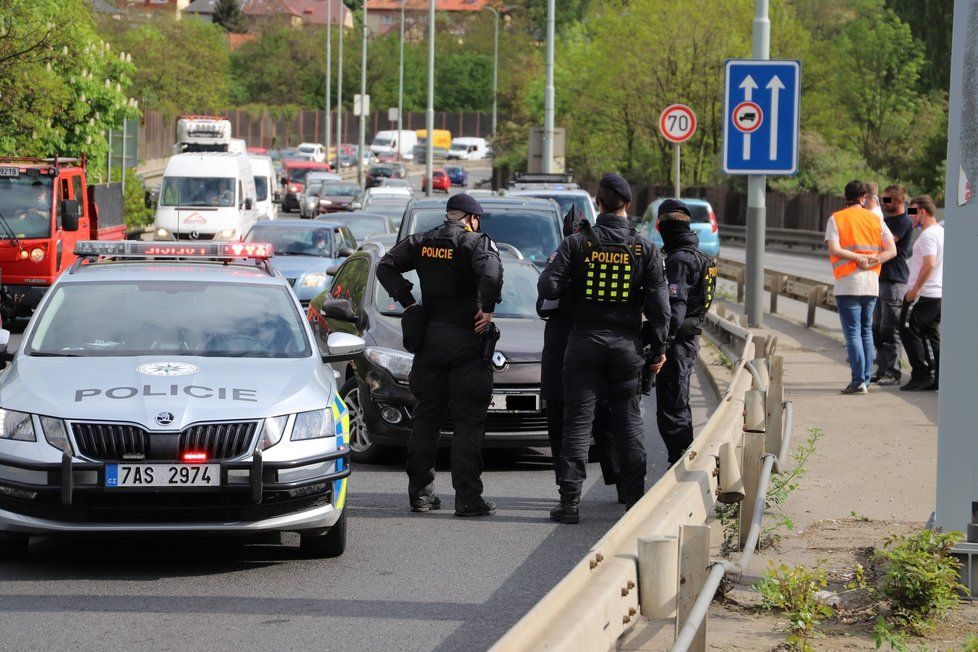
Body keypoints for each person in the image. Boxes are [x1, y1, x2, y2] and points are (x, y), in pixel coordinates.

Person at [538, 173, 670, 523]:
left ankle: (569, 503)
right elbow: (660, 309)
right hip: (626, 345)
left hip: (583, 343)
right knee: (628, 421)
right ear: (628, 204)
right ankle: (633, 499)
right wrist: (657, 350)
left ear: (597, 203)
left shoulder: (578, 243)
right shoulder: (645, 249)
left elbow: (548, 287)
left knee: (577, 423)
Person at [376, 193, 503, 517]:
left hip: (430, 341)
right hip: (467, 341)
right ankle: (468, 499)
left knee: (426, 420)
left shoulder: (422, 240)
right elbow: (490, 274)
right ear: (471, 218)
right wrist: (486, 310)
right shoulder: (475, 243)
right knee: (467, 425)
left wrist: (408, 302)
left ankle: (420, 495)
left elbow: (386, 266)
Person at [538, 205, 621, 501]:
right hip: (607, 344)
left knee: (564, 422)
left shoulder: (560, 255)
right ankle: (622, 483)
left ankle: (567, 488)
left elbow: (545, 303)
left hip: (564, 346)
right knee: (607, 419)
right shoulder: (609, 253)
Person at [655, 199, 716, 465]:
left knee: (673, 405)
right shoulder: (703, 257)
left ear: (662, 227)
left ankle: (681, 462)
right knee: (677, 401)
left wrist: (661, 345)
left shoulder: (680, 260)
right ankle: (682, 458)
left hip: (678, 343)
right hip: (689, 339)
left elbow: (676, 309)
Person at [825, 180, 897, 395]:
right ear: (864, 197)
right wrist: (873, 260)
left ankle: (858, 382)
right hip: (871, 284)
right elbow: (891, 250)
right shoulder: (876, 220)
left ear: (845, 197)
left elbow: (834, 249)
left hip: (848, 283)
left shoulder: (836, 218)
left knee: (853, 333)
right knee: (866, 332)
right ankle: (864, 378)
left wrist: (857, 258)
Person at [899, 195, 943, 392]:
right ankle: (936, 376)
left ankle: (920, 374)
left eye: (913, 212)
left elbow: (930, 263)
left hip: (923, 294)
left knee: (907, 328)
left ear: (923, 212)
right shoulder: (941, 232)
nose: (910, 217)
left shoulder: (928, 235)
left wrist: (915, 290)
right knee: (929, 335)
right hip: (936, 294)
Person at [871, 185, 914, 386]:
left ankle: (894, 371)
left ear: (898, 201)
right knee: (878, 328)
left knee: (890, 328)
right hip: (881, 278)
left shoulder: (903, 221)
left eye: (887, 200)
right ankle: (882, 368)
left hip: (894, 280)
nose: (884, 203)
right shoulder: (887, 221)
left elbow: (885, 242)